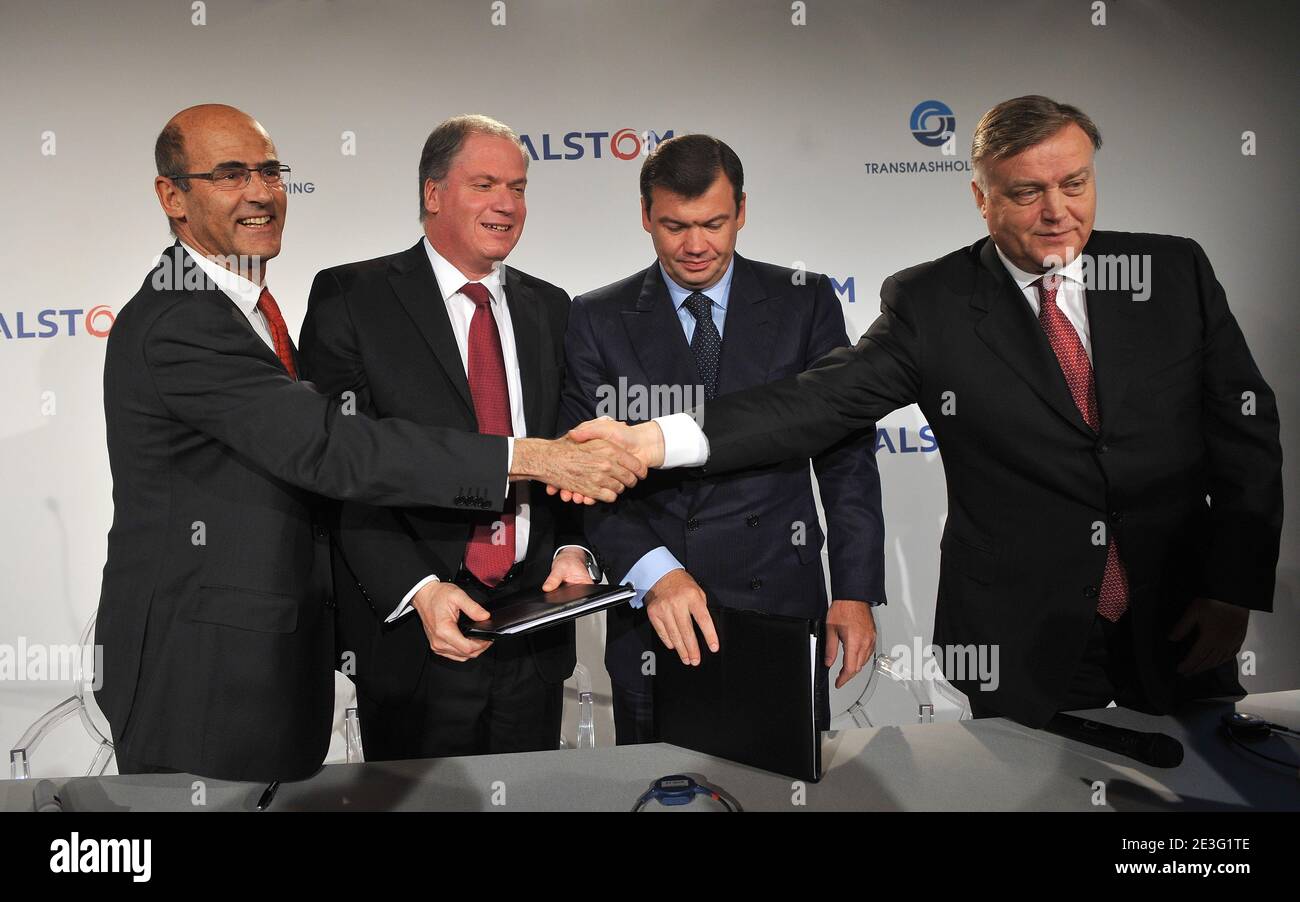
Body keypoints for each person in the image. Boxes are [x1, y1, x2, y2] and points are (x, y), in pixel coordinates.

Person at [569, 96, 1283, 729]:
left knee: (1206, 816)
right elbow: (818, 403)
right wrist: (655, 440)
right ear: (982, 197)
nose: (1057, 211)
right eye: (1028, 192)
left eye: (1075, 183)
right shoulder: (932, 303)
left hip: (1185, 619)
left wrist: (1232, 586)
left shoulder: (1174, 273)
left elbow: (1245, 434)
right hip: (1029, 645)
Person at [98, 105, 643, 781]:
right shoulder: (182, 322)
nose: (263, 192)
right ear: (173, 196)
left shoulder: (242, 311)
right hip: (205, 672)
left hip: (271, 664)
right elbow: (335, 448)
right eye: (230, 174)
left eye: (270, 171)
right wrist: (529, 456)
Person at [560, 134, 885, 744]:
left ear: (742, 210)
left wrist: (855, 590)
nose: (695, 246)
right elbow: (586, 474)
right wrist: (654, 573)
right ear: (644, 217)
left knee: (786, 791)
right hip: (654, 609)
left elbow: (846, 456)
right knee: (658, 791)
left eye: (713, 223)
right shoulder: (596, 317)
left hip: (780, 598)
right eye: (674, 226)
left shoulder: (805, 300)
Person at [298, 115, 599, 759]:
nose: (506, 205)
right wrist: (420, 590)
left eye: (517, 188)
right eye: (485, 183)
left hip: (532, 628)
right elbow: (340, 465)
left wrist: (573, 545)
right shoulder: (352, 296)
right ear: (433, 194)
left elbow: (569, 451)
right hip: (417, 636)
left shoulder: (551, 307)